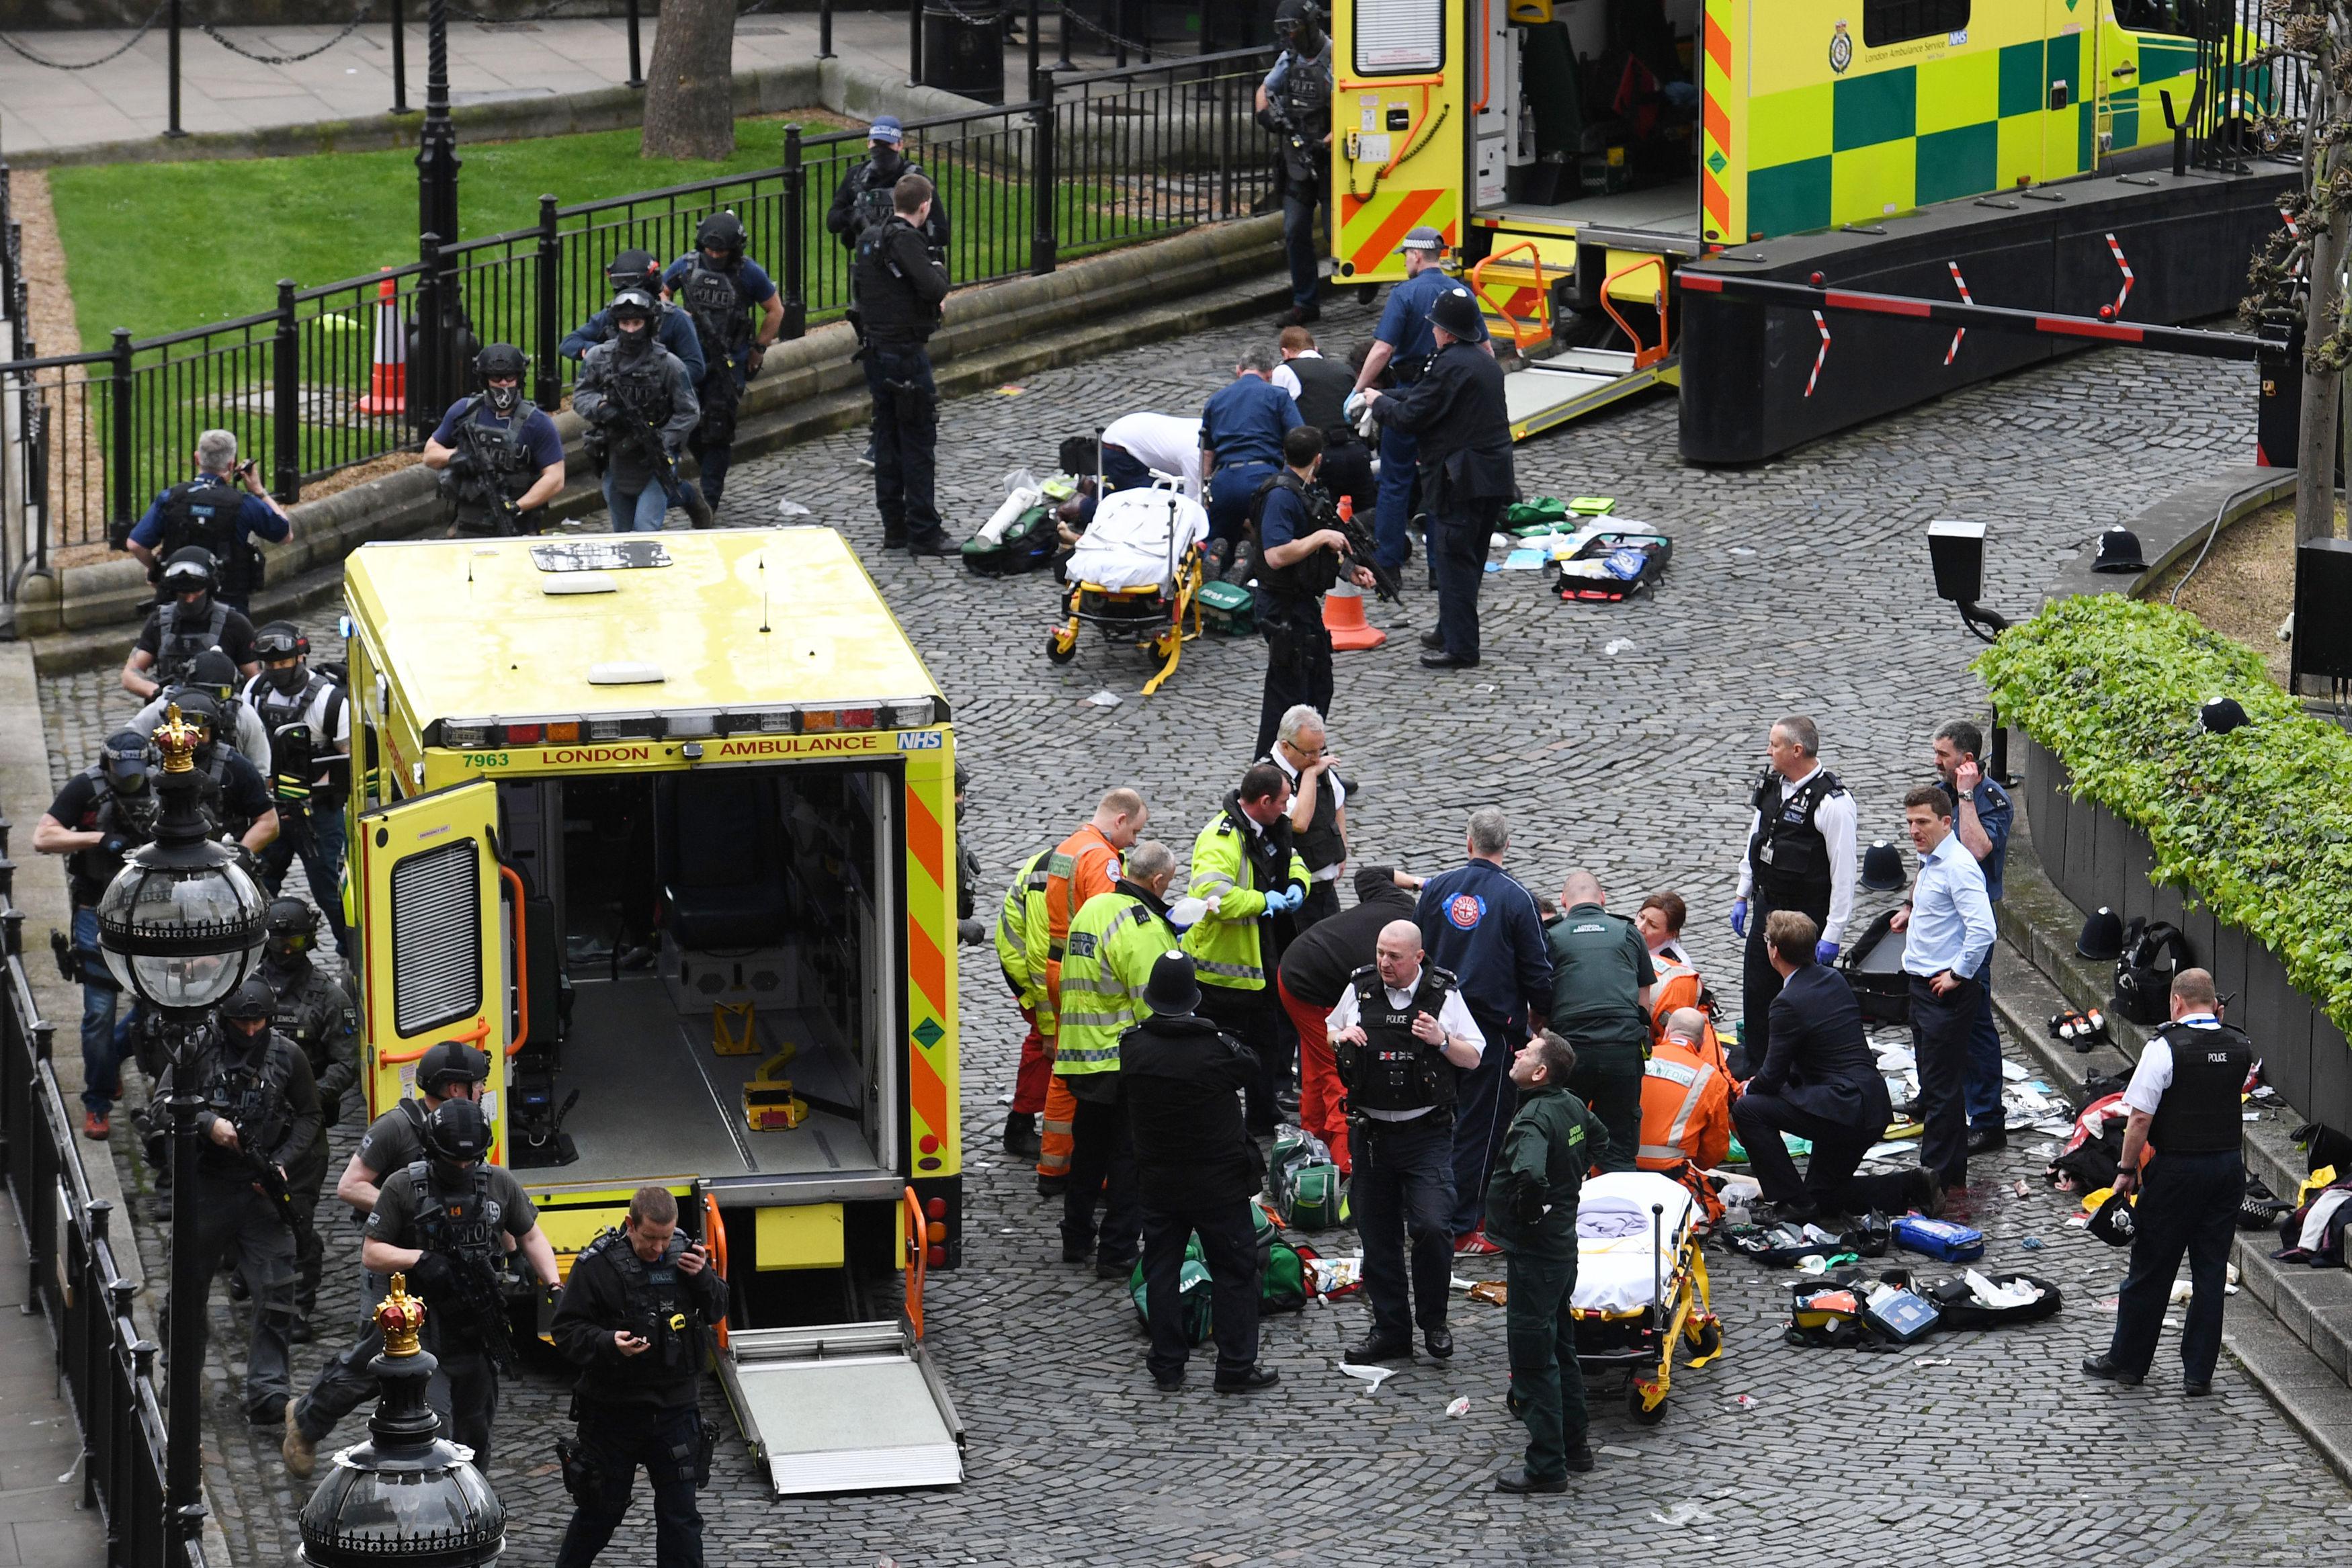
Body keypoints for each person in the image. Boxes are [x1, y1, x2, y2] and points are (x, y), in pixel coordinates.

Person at [283, 1039, 489, 1475]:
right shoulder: (396, 1127)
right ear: (456, 1089)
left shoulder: (466, 1126)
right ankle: (306, 1418)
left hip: (444, 1271)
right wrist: (405, 1212)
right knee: (375, 1363)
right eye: (478, 1085)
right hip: (393, 1268)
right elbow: (350, 1185)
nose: (484, 1091)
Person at [358, 1098, 558, 1465]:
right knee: (433, 1430)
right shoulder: (402, 1186)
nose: (463, 1167)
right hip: (422, 1332)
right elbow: (372, 1253)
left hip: (478, 1331)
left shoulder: (500, 1183)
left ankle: (475, 1512)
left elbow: (530, 1235)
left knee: (476, 1432)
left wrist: (554, 1285)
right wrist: (419, 1258)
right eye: (454, 1160)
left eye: (471, 1159)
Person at [159, 975, 319, 1424]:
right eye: (241, 1022)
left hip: (259, 1188)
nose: (251, 1031)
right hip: (205, 1187)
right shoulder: (196, 1048)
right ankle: (181, 1374)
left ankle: (268, 1389)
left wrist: (284, 1160)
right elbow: (160, 1104)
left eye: (259, 1022)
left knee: (277, 1287)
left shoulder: (288, 1056)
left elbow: (309, 1116)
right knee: (187, 1290)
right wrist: (207, 1122)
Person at [2083, 969, 2249, 1397]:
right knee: (2210, 1273)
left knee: (2152, 1270)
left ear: (2176, 1002)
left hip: (2176, 1171)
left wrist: (2124, 1170)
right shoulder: (2240, 1044)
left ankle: (2128, 1363)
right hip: (2228, 1169)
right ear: (2214, 1004)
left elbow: (2139, 1117)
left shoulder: (2164, 1048)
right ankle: (2198, 1374)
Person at [1329, 919, 1484, 1361]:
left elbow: (1474, 1056)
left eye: (1394, 956)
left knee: (1434, 1227)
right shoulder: (1360, 988)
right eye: (1381, 952)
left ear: (1417, 957)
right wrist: (1342, 1036)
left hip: (1425, 1134)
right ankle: (1391, 1330)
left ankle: (1433, 1321)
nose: (1384, 963)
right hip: (1371, 1134)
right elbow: (1329, 1029)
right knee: (1378, 1237)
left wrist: (1441, 1039)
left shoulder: (1443, 994)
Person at [1124, 952, 1278, 1393]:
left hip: (1158, 1183)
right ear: (1195, 997)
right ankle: (1234, 1368)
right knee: (1234, 1272)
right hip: (1218, 1185)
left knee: (1162, 1271)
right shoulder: (1216, 1051)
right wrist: (1209, 1028)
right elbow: (1251, 1064)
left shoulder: (1133, 1047)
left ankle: (1168, 1366)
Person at [551, 1186, 728, 1568]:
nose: (660, 1249)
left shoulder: (686, 1256)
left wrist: (703, 1280)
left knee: (681, 1520)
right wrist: (607, 1343)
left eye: (667, 1237)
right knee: (601, 1513)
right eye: (651, 1238)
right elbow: (565, 1331)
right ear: (631, 1225)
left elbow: (717, 1309)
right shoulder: (596, 1266)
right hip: (612, 1414)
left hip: (675, 1411)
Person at [1731, 912, 1940, 1219]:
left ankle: (1792, 1202)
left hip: (1842, 1108)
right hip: (1871, 1104)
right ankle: (1911, 1186)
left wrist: (1747, 1088)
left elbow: (1772, 1076)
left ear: (1774, 950)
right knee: (1823, 1197)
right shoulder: (1833, 979)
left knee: (1748, 1111)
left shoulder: (1786, 1003)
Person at [1415, 807, 1553, 1246]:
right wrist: (1542, 1014)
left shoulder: (1436, 889)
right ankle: (1460, 1224)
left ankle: (1421, 1210)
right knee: (1481, 1126)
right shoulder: (1517, 898)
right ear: (1506, 846)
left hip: (1435, 1023)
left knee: (1432, 1118)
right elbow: (1537, 968)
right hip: (1491, 1029)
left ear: (1468, 841)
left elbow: (1417, 953)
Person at [1052, 840, 1183, 1278]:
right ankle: (1117, 1251)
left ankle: (1075, 1237)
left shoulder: (1095, 907)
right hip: (1121, 1061)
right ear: (1158, 880)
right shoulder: (1142, 925)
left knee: (1088, 1151)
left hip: (1082, 1057)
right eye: (1171, 882)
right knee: (1129, 1159)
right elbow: (1156, 1006)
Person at [1361, 283, 1510, 668]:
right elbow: (1425, 398)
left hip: (1459, 479)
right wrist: (1390, 397)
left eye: (1435, 326)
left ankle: (1462, 648)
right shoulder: (1483, 362)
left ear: (1445, 330)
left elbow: (1412, 418)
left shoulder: (1448, 364)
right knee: (1470, 556)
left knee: (1453, 558)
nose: (1432, 331)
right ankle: (1450, 627)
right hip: (1492, 476)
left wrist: (1378, 403)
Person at [1486, 1030, 1606, 1492]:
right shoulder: (1572, 1105)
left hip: (1535, 1253)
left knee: (1535, 1358)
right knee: (1562, 1347)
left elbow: (1530, 1173)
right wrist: (1568, 1186)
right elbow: (1600, 1139)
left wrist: (1532, 1208)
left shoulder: (1534, 1119)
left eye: (1527, 1052)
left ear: (1539, 1073)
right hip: (1560, 1248)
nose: (1516, 1052)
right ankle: (1576, 1447)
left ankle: (1546, 1466)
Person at [32, 731, 157, 1139]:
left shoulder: (162, 783)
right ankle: (98, 1101)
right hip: (97, 911)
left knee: (159, 1006)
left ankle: (112, 1059)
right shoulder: (87, 788)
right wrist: (97, 839)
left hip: (153, 912)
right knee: (99, 1014)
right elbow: (43, 836)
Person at [1346, 226, 1491, 572]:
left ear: (1415, 255)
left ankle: (1388, 563)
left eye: (1406, 257)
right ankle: (1441, 569)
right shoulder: (1461, 292)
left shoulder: (1405, 294)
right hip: (1450, 400)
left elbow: (1382, 350)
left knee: (1395, 481)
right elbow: (1484, 348)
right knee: (1440, 483)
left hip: (1409, 393)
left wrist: (1358, 390)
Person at [1904, 719, 2015, 1156]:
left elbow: (1974, 849)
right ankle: (1938, 1095)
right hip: (1940, 921)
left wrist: (1966, 795)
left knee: (1975, 1029)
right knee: (1935, 1029)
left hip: (1969, 930)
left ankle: (1987, 1118)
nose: (1937, 762)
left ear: (1966, 761)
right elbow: (1930, 854)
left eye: (1944, 755)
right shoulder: (1940, 789)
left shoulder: (1991, 799)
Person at [1183, 763, 1310, 1135]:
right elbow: (1213, 897)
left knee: (1267, 1046)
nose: (1288, 809)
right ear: (1265, 801)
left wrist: (1298, 887)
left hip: (1261, 962)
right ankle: (1217, 1122)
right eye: (1284, 801)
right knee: (1219, 1055)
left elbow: (1295, 861)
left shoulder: (1269, 828)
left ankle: (1262, 1114)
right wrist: (1262, 900)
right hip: (1223, 974)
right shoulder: (1220, 839)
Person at [1728, 715, 1855, 1078]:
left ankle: (1801, 1074)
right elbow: (1757, 839)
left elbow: (1843, 873)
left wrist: (1832, 934)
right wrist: (1743, 892)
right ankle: (1757, 1069)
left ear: (1797, 750)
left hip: (1805, 913)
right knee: (1757, 988)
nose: (1768, 751)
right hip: (1768, 907)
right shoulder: (1772, 786)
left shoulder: (1833, 802)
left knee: (1801, 999)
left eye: (1775, 745)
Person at [1036, 787, 1150, 1191]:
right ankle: (1088, 1170)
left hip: (1057, 963)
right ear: (1120, 820)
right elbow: (1111, 919)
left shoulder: (1070, 846)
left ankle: (1053, 1165)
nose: (1135, 841)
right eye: (1135, 831)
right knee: (1091, 1068)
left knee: (1064, 1066)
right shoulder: (1103, 859)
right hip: (1083, 972)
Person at [1277, 864, 1419, 1176]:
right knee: (1343, 1071)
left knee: (1317, 1065)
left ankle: (1313, 1139)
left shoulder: (1401, 902)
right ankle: (1347, 1167)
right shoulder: (1410, 954)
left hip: (1297, 968)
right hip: (1312, 986)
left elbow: (1368, 874)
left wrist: (1421, 882)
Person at [257, 898, 358, 1337]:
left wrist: (309, 1097)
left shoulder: (328, 997)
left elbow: (346, 1062)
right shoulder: (249, 988)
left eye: (294, 940)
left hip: (303, 1127)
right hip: (254, 1124)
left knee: (296, 1218)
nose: (286, 950)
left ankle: (299, 1304)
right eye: (279, 940)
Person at [1250, 431, 1376, 756]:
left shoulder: (1305, 492)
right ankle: (1270, 770)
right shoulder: (1281, 496)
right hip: (1282, 607)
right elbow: (1277, 555)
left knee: (1318, 687)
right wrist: (1322, 536)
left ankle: (1311, 765)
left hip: (1300, 605)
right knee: (1288, 696)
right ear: (1318, 458)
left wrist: (1349, 570)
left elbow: (1313, 552)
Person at [1899, 784, 1995, 1190]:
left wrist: (1957, 974)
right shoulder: (1931, 860)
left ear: (1945, 822)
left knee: (1940, 1089)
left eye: (1922, 822)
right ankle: (1951, 1172)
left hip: (1944, 993)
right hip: (1922, 988)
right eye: (1909, 823)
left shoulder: (1957, 865)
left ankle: (1932, 1177)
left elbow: (1983, 929)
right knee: (1938, 1085)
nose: (1914, 831)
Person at [853, 173, 955, 556]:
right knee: (916, 441)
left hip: (876, 353)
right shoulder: (907, 240)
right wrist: (938, 274)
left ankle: (893, 527)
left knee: (887, 439)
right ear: (925, 205)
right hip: (905, 355)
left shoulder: (870, 240)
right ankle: (924, 531)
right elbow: (934, 288)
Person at [661, 210, 784, 514]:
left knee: (718, 430)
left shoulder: (748, 272)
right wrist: (677, 315)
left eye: (721, 251)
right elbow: (662, 292)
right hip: (689, 362)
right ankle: (705, 478)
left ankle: (710, 500)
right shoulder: (687, 264)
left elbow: (775, 309)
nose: (715, 256)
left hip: (727, 365)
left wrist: (758, 348)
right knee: (686, 424)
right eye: (710, 250)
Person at [240, 622, 352, 952]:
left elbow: (348, 761)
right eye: (270, 664)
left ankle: (353, 955)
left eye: (284, 663)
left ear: (300, 657)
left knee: (331, 891)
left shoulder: (331, 702)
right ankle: (260, 953)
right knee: (258, 883)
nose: (276, 670)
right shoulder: (255, 691)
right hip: (270, 811)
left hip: (318, 815)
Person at [1545, 869, 1655, 1174]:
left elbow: (1540, 997)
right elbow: (1643, 996)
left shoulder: (1552, 936)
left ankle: (1564, 1212)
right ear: (1603, 898)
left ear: (1564, 901)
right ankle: (1623, 1213)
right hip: (1622, 1049)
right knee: (1619, 1145)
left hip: (1571, 1051)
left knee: (1566, 1139)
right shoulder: (1628, 932)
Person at [571, 290, 705, 533]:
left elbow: (689, 411)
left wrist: (664, 438)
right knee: (621, 530)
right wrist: (601, 408)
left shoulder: (670, 364)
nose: (631, 330)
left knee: (645, 528)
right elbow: (581, 395)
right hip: (614, 453)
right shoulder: (598, 357)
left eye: (637, 323)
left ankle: (688, 497)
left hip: (654, 456)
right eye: (625, 323)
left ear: (649, 323)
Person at [125, 428, 290, 611]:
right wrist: (260, 492)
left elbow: (135, 544)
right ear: (231, 465)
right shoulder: (243, 504)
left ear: (197, 459)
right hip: (228, 607)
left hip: (174, 603)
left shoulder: (172, 498)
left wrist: (159, 571)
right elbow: (285, 534)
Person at [423, 343, 569, 536]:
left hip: (517, 525)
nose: (503, 383)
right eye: (496, 378)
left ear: (519, 378)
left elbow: (555, 478)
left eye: (510, 377)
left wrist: (516, 507)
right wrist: (456, 456)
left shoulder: (538, 422)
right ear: (485, 380)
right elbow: (429, 454)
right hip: (468, 524)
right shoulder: (464, 412)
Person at [1258, 3, 1333, 328]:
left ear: (1311, 24)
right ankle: (1305, 303)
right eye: (1284, 29)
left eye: (1294, 27)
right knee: (1294, 230)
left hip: (1331, 161)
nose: (1289, 35)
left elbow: (1355, 105)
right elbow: (1264, 90)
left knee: (1337, 233)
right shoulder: (1288, 60)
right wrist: (1266, 116)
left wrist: (1326, 141)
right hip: (1297, 161)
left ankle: (1364, 276)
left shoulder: (1337, 58)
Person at [1199, 345, 1303, 567]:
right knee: (1274, 541)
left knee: (1217, 538)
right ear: (1270, 374)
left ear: (1239, 370)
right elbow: (1299, 440)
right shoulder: (1278, 395)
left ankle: (1214, 569)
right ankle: (1253, 570)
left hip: (1225, 480)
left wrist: (1206, 489)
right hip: (1264, 478)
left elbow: (1207, 453)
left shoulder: (1216, 400)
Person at [150, 689, 279, 854]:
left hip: (223, 859)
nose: (191, 743)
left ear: (214, 731)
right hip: (162, 858)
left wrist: (239, 858)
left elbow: (269, 822)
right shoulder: (151, 765)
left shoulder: (237, 767)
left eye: (200, 734)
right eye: (182, 736)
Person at [122, 547, 259, 699]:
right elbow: (129, 675)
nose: (190, 599)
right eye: (184, 593)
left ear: (210, 587)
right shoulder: (159, 622)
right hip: (170, 712)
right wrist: (157, 692)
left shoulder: (235, 624)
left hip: (220, 711)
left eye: (196, 592)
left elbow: (254, 680)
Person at [1637, 1007, 1734, 1221]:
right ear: (1701, 1044)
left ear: (1667, 1031)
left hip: (1615, 1168)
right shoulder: (1711, 1080)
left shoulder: (1635, 1059)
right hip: (1670, 1174)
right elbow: (1712, 1154)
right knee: (1707, 1212)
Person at [1260, 703, 1351, 927]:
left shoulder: (1316, 765)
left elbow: (1338, 802)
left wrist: (1342, 851)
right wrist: (1310, 775)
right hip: (1294, 897)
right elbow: (1299, 823)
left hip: (1327, 891)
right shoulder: (1268, 777)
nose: (1317, 758)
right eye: (1310, 752)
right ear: (1286, 746)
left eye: (1321, 750)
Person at [561, 248, 707, 386]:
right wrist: (594, 351)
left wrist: (658, 379)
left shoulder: (675, 319)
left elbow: (695, 367)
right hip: (619, 398)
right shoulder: (610, 316)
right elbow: (569, 343)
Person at [995, 846, 1056, 1160]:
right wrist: (1049, 1029)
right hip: (1026, 970)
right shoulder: (1050, 878)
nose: (1133, 841)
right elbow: (1037, 961)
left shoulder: (1104, 858)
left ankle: (1022, 1122)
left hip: (1032, 964)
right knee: (1044, 1043)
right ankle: (1019, 1126)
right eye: (1135, 833)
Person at [1269, 324, 1372, 513]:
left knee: (1323, 519)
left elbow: (1279, 418)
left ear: (1285, 353)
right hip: (1357, 451)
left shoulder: (1285, 370)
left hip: (1320, 457)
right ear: (1315, 349)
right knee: (1364, 518)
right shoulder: (1345, 370)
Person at [132, 647, 271, 773]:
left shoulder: (245, 716)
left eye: (220, 693)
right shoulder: (165, 708)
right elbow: (130, 738)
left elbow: (261, 769)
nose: (210, 700)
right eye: (203, 691)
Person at [1094, 412, 1204, 500]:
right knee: (1144, 505)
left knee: (1166, 495)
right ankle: (1084, 503)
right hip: (1120, 449)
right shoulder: (1195, 456)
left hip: (1134, 439)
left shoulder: (1206, 430)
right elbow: (1193, 503)